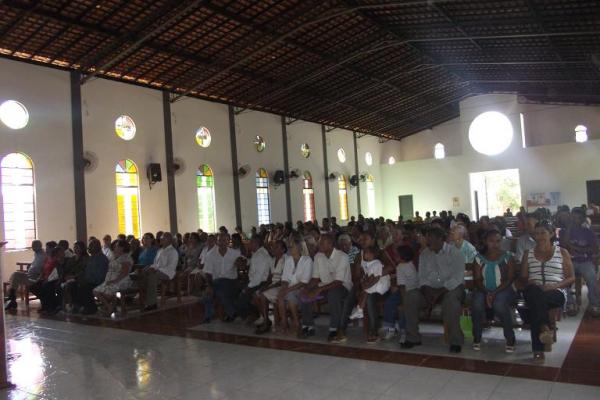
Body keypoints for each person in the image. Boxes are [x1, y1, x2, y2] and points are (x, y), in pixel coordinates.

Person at [403, 227, 465, 353]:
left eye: (430, 238)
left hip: (451, 289)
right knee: (410, 296)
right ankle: (413, 337)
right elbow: (422, 277)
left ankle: (455, 341)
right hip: (430, 290)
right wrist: (427, 290)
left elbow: (457, 278)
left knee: (451, 301)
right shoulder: (425, 254)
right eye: (427, 238)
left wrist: (440, 291)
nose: (427, 241)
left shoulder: (454, 252)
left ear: (440, 239)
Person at [521, 220, 575, 363]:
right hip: (533, 289)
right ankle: (545, 329)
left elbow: (571, 278)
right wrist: (529, 281)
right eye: (536, 233)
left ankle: (539, 347)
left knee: (536, 306)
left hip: (555, 292)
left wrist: (554, 286)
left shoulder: (562, 252)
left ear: (551, 234)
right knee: (535, 294)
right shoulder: (528, 253)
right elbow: (523, 277)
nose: (539, 236)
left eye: (543, 233)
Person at [298, 234, 352, 341]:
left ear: (330, 244)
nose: (319, 245)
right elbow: (315, 278)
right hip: (325, 285)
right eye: (319, 242)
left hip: (342, 287)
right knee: (304, 293)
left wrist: (318, 289)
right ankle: (308, 326)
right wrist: (307, 288)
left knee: (333, 294)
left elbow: (338, 282)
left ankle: (334, 328)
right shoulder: (319, 256)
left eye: (322, 243)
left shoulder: (342, 257)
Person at [471, 229, 517, 352]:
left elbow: (509, 279)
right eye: (491, 241)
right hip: (484, 289)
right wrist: (487, 292)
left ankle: (510, 337)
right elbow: (478, 279)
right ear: (485, 242)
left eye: (498, 241)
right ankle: (476, 336)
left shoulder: (508, 257)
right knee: (476, 303)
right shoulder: (479, 258)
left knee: (499, 304)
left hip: (505, 290)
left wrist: (494, 293)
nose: (495, 244)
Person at [344, 246, 390, 343]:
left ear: (372, 255)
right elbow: (366, 276)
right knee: (365, 293)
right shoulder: (368, 263)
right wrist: (364, 283)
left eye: (366, 253)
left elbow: (376, 278)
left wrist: (366, 285)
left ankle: (372, 328)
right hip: (373, 285)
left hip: (380, 286)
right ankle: (360, 309)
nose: (364, 255)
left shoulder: (376, 263)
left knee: (367, 294)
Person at [560, 207, 600, 317]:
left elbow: (596, 249)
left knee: (591, 277)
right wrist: (568, 228)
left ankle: (595, 304)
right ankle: (570, 304)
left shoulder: (588, 232)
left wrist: (579, 249)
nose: (575, 220)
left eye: (578, 218)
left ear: (583, 219)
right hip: (569, 261)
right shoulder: (564, 232)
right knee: (561, 277)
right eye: (573, 218)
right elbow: (563, 245)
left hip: (585, 261)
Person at [380, 245, 419, 341]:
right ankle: (402, 331)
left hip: (406, 292)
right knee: (394, 303)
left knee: (392, 304)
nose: (395, 257)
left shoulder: (401, 266)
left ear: (403, 256)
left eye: (397, 255)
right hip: (413, 291)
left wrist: (403, 301)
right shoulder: (410, 264)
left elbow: (402, 287)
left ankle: (392, 329)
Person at [201, 233, 242, 323]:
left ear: (228, 242)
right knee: (210, 294)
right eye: (220, 240)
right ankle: (232, 313)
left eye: (224, 240)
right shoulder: (211, 254)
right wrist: (209, 286)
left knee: (219, 288)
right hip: (216, 282)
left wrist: (240, 262)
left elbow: (243, 263)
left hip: (231, 281)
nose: (222, 243)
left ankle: (209, 316)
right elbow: (208, 272)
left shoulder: (235, 253)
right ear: (217, 241)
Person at [276, 236, 313, 335]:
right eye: (289, 247)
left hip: (302, 288)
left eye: (292, 247)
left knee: (290, 296)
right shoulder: (288, 260)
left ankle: (296, 322)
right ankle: (284, 322)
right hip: (290, 287)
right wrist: (284, 288)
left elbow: (304, 282)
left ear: (299, 248)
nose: (289, 248)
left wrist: (287, 290)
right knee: (280, 296)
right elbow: (285, 278)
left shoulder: (307, 260)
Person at [235, 236, 272, 321]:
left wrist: (247, 287)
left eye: (250, 243)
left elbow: (258, 277)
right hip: (255, 281)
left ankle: (251, 314)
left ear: (256, 244)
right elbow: (252, 262)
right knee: (235, 287)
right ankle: (253, 313)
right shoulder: (257, 253)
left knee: (242, 296)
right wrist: (245, 261)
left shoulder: (261, 255)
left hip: (261, 282)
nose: (248, 245)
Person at [93, 240, 133, 316]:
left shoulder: (126, 257)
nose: (115, 247)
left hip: (121, 280)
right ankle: (110, 307)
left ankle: (110, 307)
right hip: (110, 279)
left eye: (118, 246)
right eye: (115, 246)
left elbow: (124, 273)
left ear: (123, 247)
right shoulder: (113, 256)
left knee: (107, 294)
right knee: (95, 291)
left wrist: (114, 281)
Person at [141, 232, 179, 311]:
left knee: (152, 276)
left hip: (167, 273)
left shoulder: (173, 252)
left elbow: (171, 267)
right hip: (158, 271)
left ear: (168, 240)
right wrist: (150, 267)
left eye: (162, 239)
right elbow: (155, 263)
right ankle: (142, 298)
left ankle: (152, 303)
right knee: (142, 273)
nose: (160, 241)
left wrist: (155, 270)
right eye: (160, 239)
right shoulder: (160, 250)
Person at [255, 240, 287, 333]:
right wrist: (265, 285)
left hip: (282, 286)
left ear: (283, 250)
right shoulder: (272, 260)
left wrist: (268, 288)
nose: (273, 249)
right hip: (273, 285)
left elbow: (283, 279)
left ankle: (266, 323)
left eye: (277, 247)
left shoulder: (286, 260)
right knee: (257, 294)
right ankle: (265, 318)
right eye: (273, 247)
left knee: (263, 295)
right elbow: (270, 277)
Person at [5, 240, 46, 310]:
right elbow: (34, 264)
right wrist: (30, 267)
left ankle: (12, 299)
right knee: (15, 275)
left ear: (39, 246)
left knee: (16, 277)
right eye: (32, 245)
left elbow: (40, 268)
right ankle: (12, 299)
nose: (32, 247)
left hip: (35, 277)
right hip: (29, 275)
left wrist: (32, 270)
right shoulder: (37, 254)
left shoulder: (43, 255)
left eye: (34, 246)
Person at [74, 238, 109, 314]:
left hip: (99, 281)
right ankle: (79, 306)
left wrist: (87, 279)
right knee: (74, 284)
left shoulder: (102, 259)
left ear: (97, 247)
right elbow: (86, 271)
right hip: (90, 280)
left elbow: (100, 275)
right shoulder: (91, 258)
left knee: (85, 287)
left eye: (91, 246)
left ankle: (91, 308)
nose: (88, 248)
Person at [62, 241, 88, 310]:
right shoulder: (72, 258)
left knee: (72, 285)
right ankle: (66, 304)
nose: (75, 249)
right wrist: (67, 275)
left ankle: (75, 304)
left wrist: (74, 276)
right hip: (71, 277)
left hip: (80, 278)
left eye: (77, 247)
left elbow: (83, 271)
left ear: (82, 248)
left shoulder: (85, 258)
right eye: (74, 247)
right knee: (60, 284)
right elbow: (67, 269)